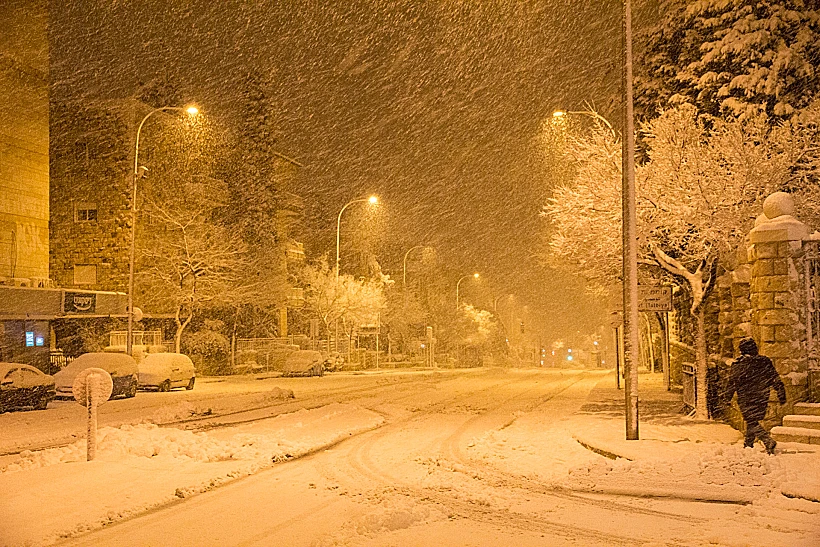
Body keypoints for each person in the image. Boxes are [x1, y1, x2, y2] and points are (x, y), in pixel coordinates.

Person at [725, 338, 787, 454]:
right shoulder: (764, 361)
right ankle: (748, 444)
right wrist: (781, 393)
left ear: (742, 351)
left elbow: (732, 383)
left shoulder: (739, 364)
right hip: (762, 396)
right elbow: (774, 378)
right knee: (752, 420)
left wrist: (726, 398)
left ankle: (767, 440)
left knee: (751, 420)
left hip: (746, 397)